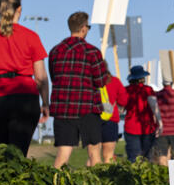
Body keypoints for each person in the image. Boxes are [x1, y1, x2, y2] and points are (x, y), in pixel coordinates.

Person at [0, 0, 49, 156]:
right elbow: (41, 77)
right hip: (24, 97)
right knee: (19, 153)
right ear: (19, 10)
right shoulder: (31, 37)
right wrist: (45, 103)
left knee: (2, 150)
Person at [47, 12, 109, 168]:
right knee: (94, 153)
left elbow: (54, 77)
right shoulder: (93, 52)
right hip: (88, 108)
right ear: (83, 28)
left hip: (63, 109)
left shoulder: (55, 51)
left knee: (63, 154)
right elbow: (101, 81)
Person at [122, 65, 161, 162]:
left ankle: (134, 176)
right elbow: (154, 107)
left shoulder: (126, 90)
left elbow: (121, 109)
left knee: (133, 158)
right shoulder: (148, 90)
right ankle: (147, 176)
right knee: (147, 157)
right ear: (142, 78)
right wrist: (160, 123)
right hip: (147, 127)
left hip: (131, 127)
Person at [99, 71, 127, 163]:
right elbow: (123, 100)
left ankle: (89, 176)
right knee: (108, 156)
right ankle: (106, 177)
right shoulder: (114, 81)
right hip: (110, 119)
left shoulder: (90, 80)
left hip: (93, 119)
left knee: (93, 155)